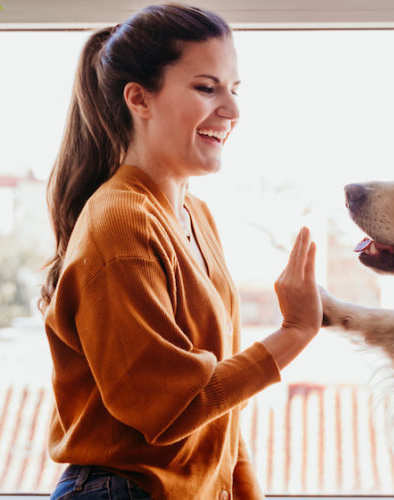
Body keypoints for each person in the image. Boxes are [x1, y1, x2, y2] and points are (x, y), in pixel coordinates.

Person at [38, 4, 323, 500]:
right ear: (139, 99)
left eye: (234, 90)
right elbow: (170, 407)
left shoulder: (196, 216)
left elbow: (220, 416)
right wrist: (294, 333)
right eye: (206, 88)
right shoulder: (121, 223)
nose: (231, 111)